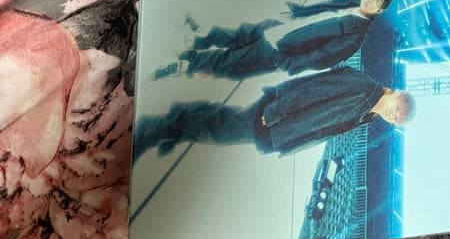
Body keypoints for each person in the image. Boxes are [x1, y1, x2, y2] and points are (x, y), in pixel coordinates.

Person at [132, 66, 415, 160]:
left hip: (283, 129)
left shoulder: (366, 114)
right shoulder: (361, 87)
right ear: (395, 92)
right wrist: (276, 111)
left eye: (397, 119)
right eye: (398, 108)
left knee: (228, 121)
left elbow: (322, 126)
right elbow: (314, 91)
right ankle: (159, 129)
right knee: (224, 131)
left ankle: (180, 116)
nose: (393, 115)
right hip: (278, 116)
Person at [152, 0, 393, 81]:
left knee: (229, 61)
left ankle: (184, 64)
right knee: (238, 34)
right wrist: (296, 11)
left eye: (377, 0)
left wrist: (289, 65)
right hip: (279, 27)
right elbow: (321, 9)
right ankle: (198, 39)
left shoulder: (355, 36)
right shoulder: (351, 2)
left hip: (279, 50)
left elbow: (324, 58)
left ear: (380, 10)